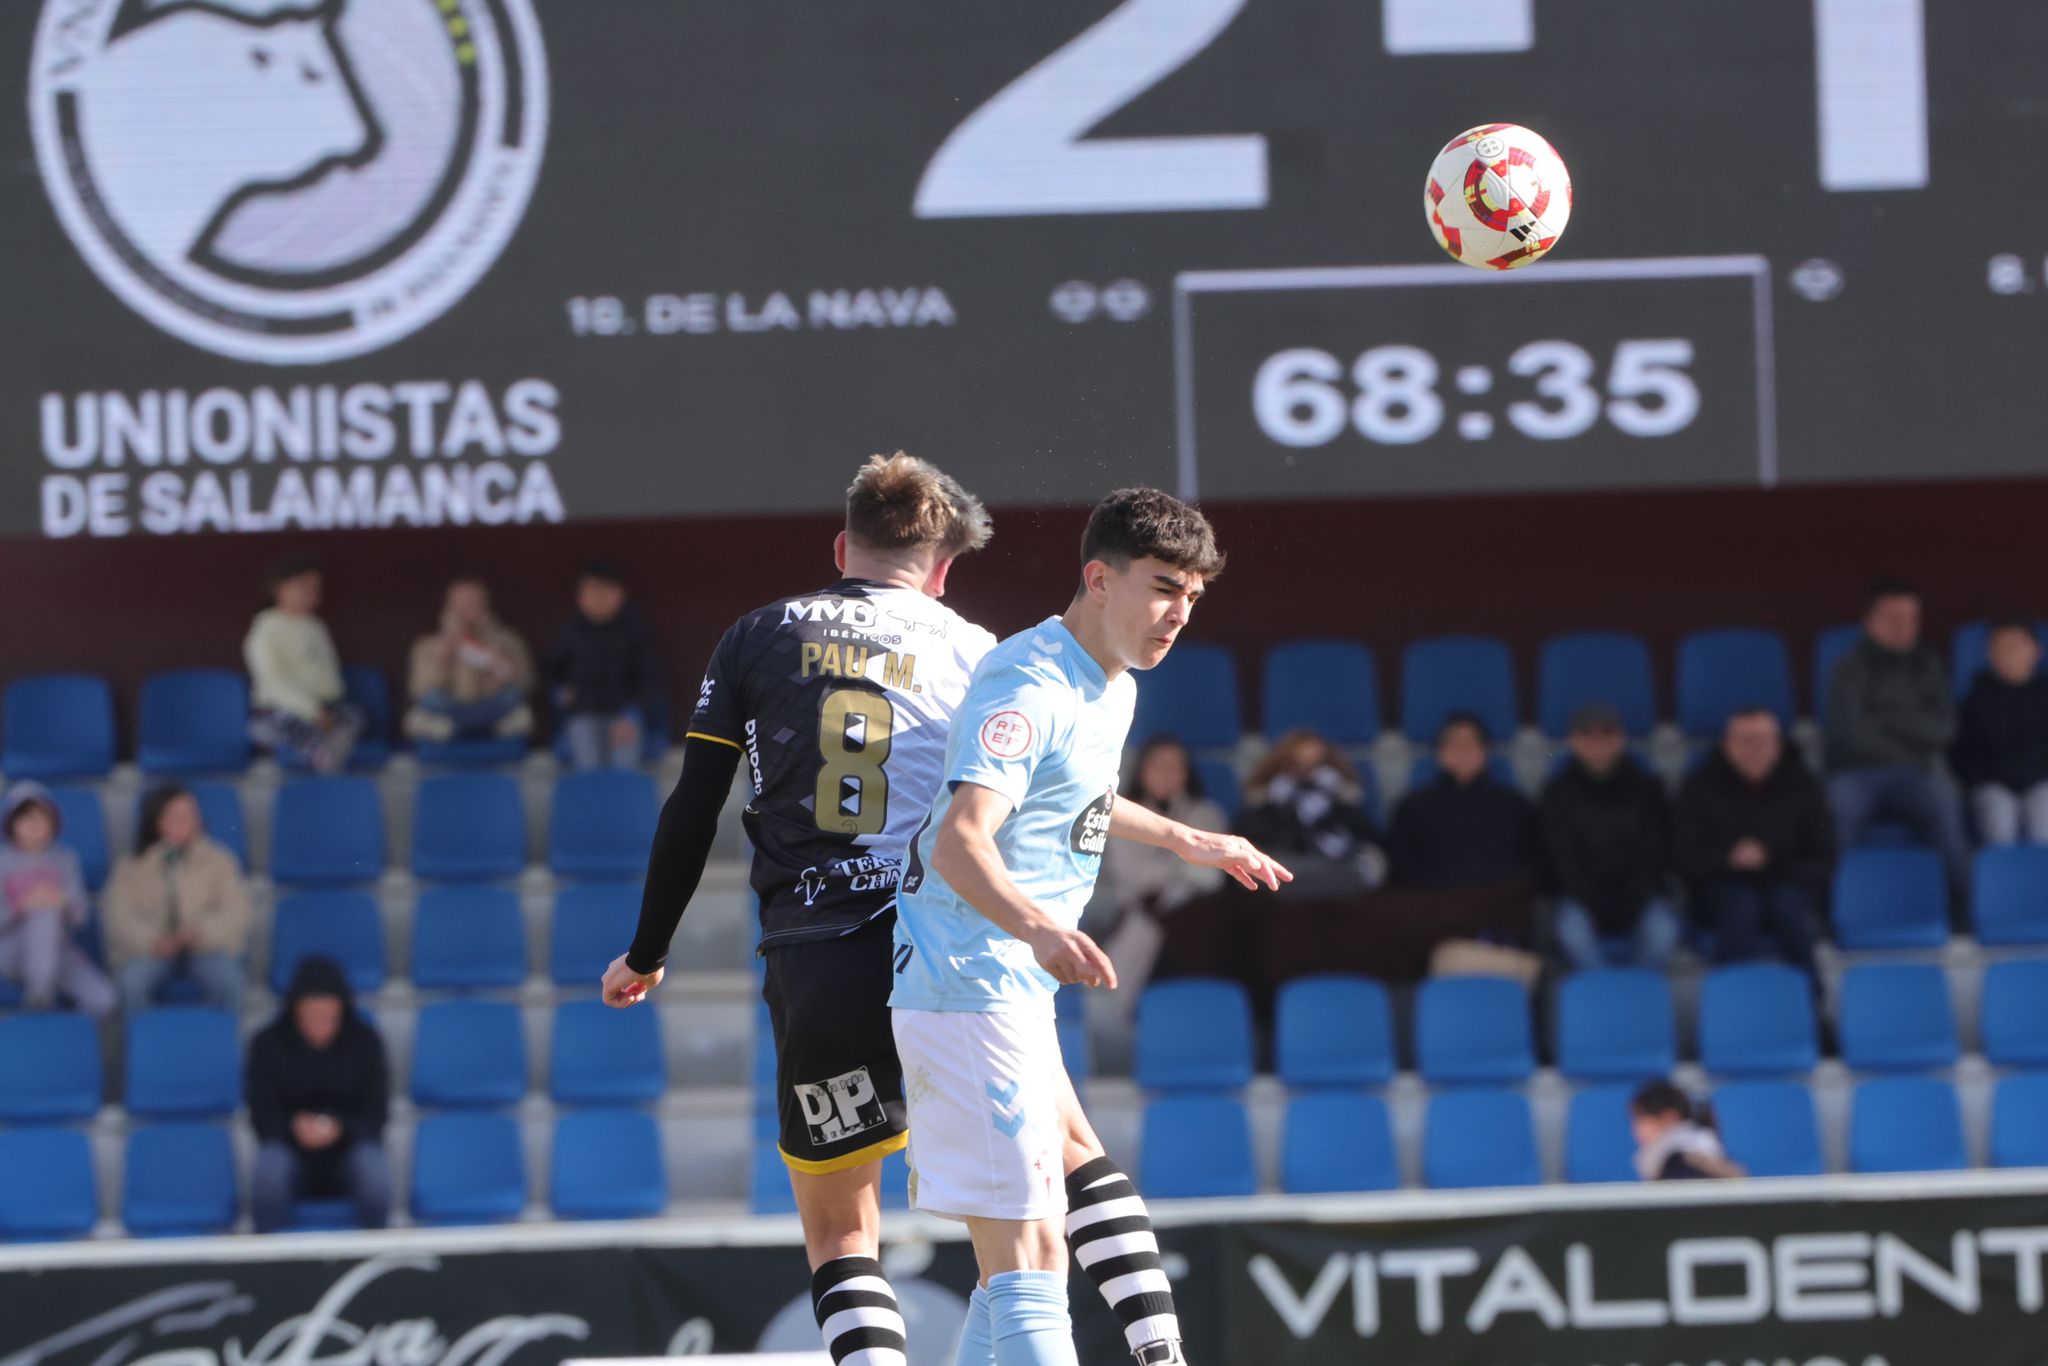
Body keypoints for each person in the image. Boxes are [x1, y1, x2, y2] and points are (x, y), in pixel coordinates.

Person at [604, 461, 1221, 1366]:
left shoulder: (756, 635)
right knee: (1053, 1185)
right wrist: (1181, 841)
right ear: (941, 570)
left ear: (841, 546)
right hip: (938, 942)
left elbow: (692, 807)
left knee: (846, 1237)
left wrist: (648, 950)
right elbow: (1038, 788)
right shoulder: (981, 649)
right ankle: (1160, 1345)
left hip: (818, 955)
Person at [889, 488, 1289, 1366]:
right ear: (1098, 579)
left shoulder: (1110, 684)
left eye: (1192, 596)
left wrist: (1188, 836)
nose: (1178, 614)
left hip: (1005, 988)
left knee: (1032, 1242)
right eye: (1161, 588)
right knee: (1030, 1261)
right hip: (967, 987)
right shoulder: (1028, 681)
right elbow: (959, 842)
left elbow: (1075, 791)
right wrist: (1038, 928)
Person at [1824, 578, 1971, 894]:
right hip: (1856, 773)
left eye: (1911, 619)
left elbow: (1943, 731)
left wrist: (1884, 718)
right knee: (1834, 815)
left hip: (1916, 775)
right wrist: (1912, 740)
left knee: (1945, 808)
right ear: (1870, 622)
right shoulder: (1849, 667)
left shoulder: (1928, 664)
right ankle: (1827, 912)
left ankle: (1961, 917)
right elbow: (1849, 734)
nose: (1903, 627)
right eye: (1893, 619)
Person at [1675, 708, 1834, 984]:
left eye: (1761, 740)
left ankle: (1812, 1007)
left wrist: (1772, 860)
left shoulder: (1804, 786)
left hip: (1788, 880)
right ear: (1726, 745)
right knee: (1740, 908)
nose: (1753, 749)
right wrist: (1728, 859)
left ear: (1777, 745)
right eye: (1743, 740)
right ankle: (1727, 1011)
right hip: (1721, 885)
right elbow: (1683, 857)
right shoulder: (1698, 788)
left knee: (1790, 910)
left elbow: (1823, 852)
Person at [246, 955, 391, 1233]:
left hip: (349, 1147)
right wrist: (294, 1127)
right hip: (289, 1146)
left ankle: (377, 1259)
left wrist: (340, 1129)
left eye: (329, 1018)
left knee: (374, 1174)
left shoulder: (366, 1042)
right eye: (312, 1018)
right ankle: (267, 1264)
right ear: (296, 1011)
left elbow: (376, 1113)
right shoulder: (267, 1044)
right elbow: (261, 1112)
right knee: (269, 1175)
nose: (321, 1027)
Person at [1541, 703, 1678, 972]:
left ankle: (1637, 997)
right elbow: (1562, 858)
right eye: (1588, 735)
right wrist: (1594, 902)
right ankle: (1602, 1002)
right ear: (1573, 741)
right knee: (1573, 935)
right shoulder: (1556, 794)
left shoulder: (1649, 788)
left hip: (1640, 895)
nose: (1597, 743)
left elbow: (1655, 851)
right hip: (1581, 898)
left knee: (1664, 935)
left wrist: (1633, 899)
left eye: (1606, 735)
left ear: (1620, 739)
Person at [1094, 736, 1230, 1006]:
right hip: (1137, 917)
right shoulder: (1123, 813)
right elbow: (1131, 873)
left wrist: (1175, 876)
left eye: (1176, 766)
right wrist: (1185, 861)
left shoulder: (1206, 812)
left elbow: (1211, 876)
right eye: (1159, 766)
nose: (1168, 774)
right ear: (1142, 770)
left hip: (1197, 924)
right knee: (1111, 999)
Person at [104, 785, 252, 1016]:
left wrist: (200, 932)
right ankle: (142, 1048)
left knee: (230, 980)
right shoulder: (131, 866)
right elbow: (120, 915)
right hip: (152, 949)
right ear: (157, 821)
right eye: (175, 815)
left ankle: (225, 1046)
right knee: (131, 983)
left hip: (205, 946)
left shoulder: (220, 860)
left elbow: (236, 910)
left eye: (190, 814)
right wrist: (153, 940)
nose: (186, 821)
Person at [1387, 714, 1544, 891]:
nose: (1463, 750)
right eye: (1454, 744)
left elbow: (1532, 863)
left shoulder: (1516, 806)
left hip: (1500, 906)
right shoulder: (1412, 808)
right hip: (1433, 907)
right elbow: (1402, 867)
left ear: (1485, 751)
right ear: (1440, 753)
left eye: (1471, 743)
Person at [0, 782, 115, 1017]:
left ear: (53, 825)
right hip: (10, 949)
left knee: (105, 999)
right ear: (12, 825)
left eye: (40, 819)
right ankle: (40, 992)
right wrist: (23, 905)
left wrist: (63, 903)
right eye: (25, 819)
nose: (33, 826)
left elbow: (80, 917)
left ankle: (77, 1046)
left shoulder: (65, 860)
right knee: (42, 912)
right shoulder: (2, 862)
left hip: (55, 950)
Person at [244, 552, 361, 773]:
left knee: (354, 717)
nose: (311, 594)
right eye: (303, 586)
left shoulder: (316, 626)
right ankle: (323, 763)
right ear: (279, 588)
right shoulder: (265, 629)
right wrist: (313, 712)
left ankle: (331, 755)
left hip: (324, 708)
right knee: (285, 726)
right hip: (282, 710)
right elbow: (274, 684)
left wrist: (326, 709)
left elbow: (330, 678)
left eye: (316, 587)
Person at [543, 561, 664, 770]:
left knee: (624, 766)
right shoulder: (568, 632)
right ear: (580, 597)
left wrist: (632, 715)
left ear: (620, 595)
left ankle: (626, 803)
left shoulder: (637, 630)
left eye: (606, 591)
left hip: (624, 713)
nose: (599, 599)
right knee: (588, 765)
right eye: (592, 592)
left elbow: (650, 679)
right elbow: (551, 672)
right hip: (583, 713)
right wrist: (560, 692)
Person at [1235, 728, 1387, 895]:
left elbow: (1372, 858)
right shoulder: (1259, 813)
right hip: (1273, 904)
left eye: (1316, 766)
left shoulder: (1347, 811)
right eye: (1297, 766)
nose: (1307, 776)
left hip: (1342, 898)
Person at [403, 575, 536, 745]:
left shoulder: (509, 641)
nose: (468, 609)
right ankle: (479, 729)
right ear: (449, 606)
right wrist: (444, 660)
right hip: (449, 710)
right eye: (462, 603)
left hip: (492, 708)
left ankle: (467, 728)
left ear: (486, 604)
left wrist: (500, 670)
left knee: (514, 696)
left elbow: (527, 684)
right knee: (429, 700)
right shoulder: (428, 645)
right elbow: (418, 689)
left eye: (474, 602)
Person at [1952, 620, 2048, 845]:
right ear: (1989, 653)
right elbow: (1962, 753)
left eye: (2015, 645)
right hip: (1992, 784)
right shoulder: (1975, 697)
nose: (2008, 653)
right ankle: (2001, 879)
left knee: (2044, 817)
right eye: (1999, 646)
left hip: (2040, 780)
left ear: (2035, 651)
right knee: (1999, 819)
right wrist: (1985, 777)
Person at [1630, 1080, 1744, 1181]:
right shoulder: (1706, 1153)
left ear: (1669, 1118)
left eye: (1641, 1120)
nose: (1635, 1130)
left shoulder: (1678, 1166)